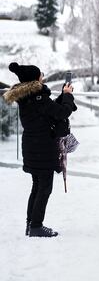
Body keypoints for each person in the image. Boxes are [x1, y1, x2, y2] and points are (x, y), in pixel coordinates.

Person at [2, 63, 76, 238]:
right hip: (42, 148)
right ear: (35, 79)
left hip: (32, 146)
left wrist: (63, 96)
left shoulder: (28, 96)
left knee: (37, 187)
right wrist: (67, 95)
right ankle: (36, 226)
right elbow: (62, 113)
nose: (42, 75)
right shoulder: (39, 98)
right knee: (44, 188)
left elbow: (49, 111)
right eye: (40, 74)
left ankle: (31, 224)